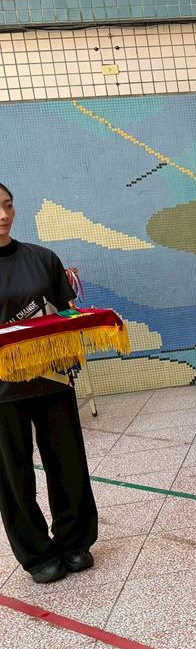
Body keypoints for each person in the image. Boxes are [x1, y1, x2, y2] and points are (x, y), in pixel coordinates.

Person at [0, 181, 98, 584]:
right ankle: (37, 553)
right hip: (3, 392)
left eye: (8, 205)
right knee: (14, 474)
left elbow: (66, 313)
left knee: (68, 462)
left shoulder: (42, 259)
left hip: (53, 378)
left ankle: (75, 541)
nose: (3, 215)